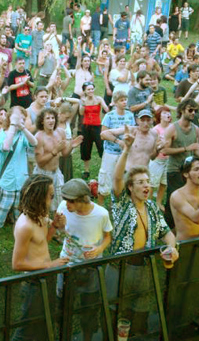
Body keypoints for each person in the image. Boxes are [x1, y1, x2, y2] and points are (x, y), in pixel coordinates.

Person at [108, 124, 178, 336]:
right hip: (120, 267)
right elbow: (117, 178)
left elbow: (166, 232)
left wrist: (171, 247)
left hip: (144, 267)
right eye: (140, 182)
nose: (146, 185)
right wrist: (126, 150)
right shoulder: (122, 203)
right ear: (131, 187)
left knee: (139, 311)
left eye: (147, 181)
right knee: (117, 310)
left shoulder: (151, 207)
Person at [11, 174, 69, 341]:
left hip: (46, 278)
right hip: (33, 283)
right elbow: (17, 264)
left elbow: (44, 240)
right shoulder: (25, 226)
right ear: (39, 197)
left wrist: (55, 226)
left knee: (45, 325)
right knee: (26, 330)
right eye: (50, 196)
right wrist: (50, 265)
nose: (53, 199)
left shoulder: (41, 217)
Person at [57, 179, 112, 341]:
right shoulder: (63, 208)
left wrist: (99, 249)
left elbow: (108, 237)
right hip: (67, 265)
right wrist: (59, 227)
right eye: (66, 200)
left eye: (71, 201)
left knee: (89, 309)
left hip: (91, 269)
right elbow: (59, 234)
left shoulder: (101, 214)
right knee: (63, 308)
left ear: (83, 199)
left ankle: (87, 336)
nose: (67, 204)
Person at [0, 106, 38, 271]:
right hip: (6, 186)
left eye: (23, 117)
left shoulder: (22, 136)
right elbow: (6, 147)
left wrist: (22, 127)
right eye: (18, 117)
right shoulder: (0, 136)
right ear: (9, 119)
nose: (20, 120)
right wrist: (12, 126)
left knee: (21, 221)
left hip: (21, 186)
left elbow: (34, 143)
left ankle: (21, 251)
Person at [163, 98, 199, 229]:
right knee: (173, 200)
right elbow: (164, 150)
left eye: (195, 111)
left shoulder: (195, 129)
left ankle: (185, 225)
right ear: (182, 110)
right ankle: (168, 228)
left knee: (189, 199)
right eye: (190, 110)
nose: (193, 113)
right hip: (174, 170)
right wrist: (185, 148)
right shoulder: (172, 129)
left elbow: (195, 147)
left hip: (189, 171)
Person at [98, 90, 135, 205]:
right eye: (121, 100)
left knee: (122, 179)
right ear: (115, 102)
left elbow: (133, 131)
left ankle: (117, 205)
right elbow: (103, 135)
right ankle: (101, 205)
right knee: (106, 178)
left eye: (125, 100)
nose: (124, 102)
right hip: (111, 152)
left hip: (125, 154)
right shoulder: (109, 116)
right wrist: (118, 141)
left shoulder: (130, 115)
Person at [79, 82, 108, 178]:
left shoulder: (98, 99)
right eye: (88, 89)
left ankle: (105, 168)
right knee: (85, 147)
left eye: (92, 89)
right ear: (84, 91)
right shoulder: (83, 100)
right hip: (86, 127)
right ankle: (86, 170)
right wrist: (83, 104)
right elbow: (81, 113)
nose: (91, 91)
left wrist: (109, 105)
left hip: (97, 126)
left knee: (101, 146)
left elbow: (106, 109)